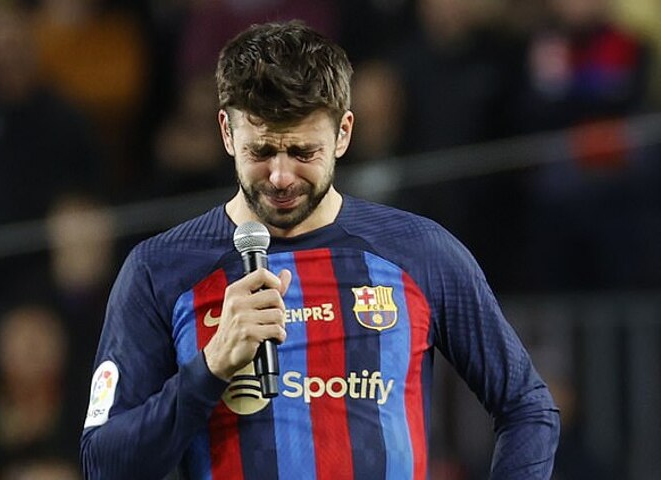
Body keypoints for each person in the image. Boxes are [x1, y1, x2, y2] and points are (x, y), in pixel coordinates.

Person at [80, 20, 560, 479]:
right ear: (227, 132)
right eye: (261, 151)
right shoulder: (160, 269)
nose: (281, 176)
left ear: (343, 133)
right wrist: (210, 368)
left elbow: (527, 407)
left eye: (303, 152)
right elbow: (104, 465)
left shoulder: (419, 253)